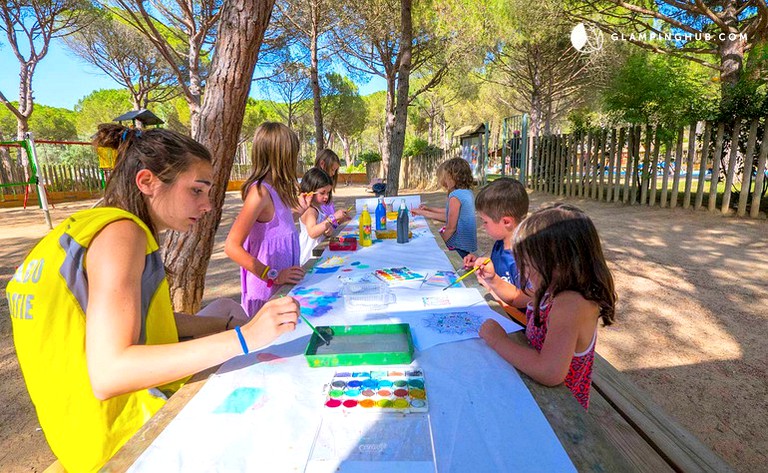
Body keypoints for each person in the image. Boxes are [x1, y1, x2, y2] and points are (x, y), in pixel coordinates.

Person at [5, 124, 301, 473]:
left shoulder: (85, 226)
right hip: (121, 439)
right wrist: (244, 337)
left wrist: (232, 323)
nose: (207, 205)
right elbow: (109, 374)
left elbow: (138, 323)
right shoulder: (123, 233)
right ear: (147, 182)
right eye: (196, 190)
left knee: (226, 308)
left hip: (73, 435)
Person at [473, 203, 616, 409]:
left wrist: (498, 341)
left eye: (528, 265)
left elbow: (549, 372)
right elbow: (515, 297)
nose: (524, 272)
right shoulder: (551, 286)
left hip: (561, 410)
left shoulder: (570, 305)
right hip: (536, 388)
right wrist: (493, 280)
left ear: (557, 264)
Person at [225, 122, 309, 316]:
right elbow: (232, 246)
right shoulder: (259, 192)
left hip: (282, 292)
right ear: (281, 156)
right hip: (266, 296)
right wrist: (273, 275)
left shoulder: (278, 190)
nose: (295, 160)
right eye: (292, 154)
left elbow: (276, 227)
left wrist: (300, 210)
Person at [463, 178, 529, 323]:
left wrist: (493, 284)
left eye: (485, 221)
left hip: (516, 327)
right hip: (499, 313)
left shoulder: (525, 259)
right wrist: (482, 264)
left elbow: (526, 303)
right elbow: (498, 268)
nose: (483, 225)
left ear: (506, 222)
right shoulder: (500, 243)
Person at [411, 157, 477, 257]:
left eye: (446, 178)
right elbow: (450, 213)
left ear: (452, 177)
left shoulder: (455, 196)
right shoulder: (467, 193)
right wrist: (429, 209)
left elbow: (451, 227)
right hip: (465, 246)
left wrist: (439, 245)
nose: (444, 181)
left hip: (458, 246)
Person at [298, 167, 347, 265]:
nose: (326, 196)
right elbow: (312, 232)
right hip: (309, 258)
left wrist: (330, 228)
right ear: (310, 191)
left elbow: (322, 229)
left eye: (328, 193)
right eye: (322, 193)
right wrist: (332, 218)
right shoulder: (310, 211)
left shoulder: (317, 209)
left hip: (316, 254)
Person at [314, 149, 351, 223]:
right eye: (332, 169)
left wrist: (339, 220)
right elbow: (317, 229)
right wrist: (334, 218)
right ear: (322, 164)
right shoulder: (315, 197)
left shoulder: (327, 193)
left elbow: (329, 226)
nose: (333, 174)